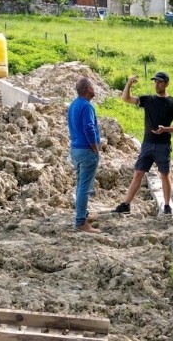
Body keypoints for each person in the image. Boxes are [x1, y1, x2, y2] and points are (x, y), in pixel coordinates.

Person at [112, 71, 173, 215]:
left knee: (164, 174)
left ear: (166, 84)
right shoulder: (148, 100)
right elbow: (126, 98)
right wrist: (129, 83)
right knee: (138, 173)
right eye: (155, 81)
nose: (157, 84)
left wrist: (166, 129)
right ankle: (126, 204)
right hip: (147, 144)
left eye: (160, 82)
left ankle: (167, 205)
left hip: (163, 145)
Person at [67, 77, 101, 233]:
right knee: (84, 188)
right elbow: (89, 127)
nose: (94, 89)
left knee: (81, 184)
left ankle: (84, 214)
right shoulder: (87, 106)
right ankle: (81, 221)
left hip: (76, 149)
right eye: (92, 86)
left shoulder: (74, 104)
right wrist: (94, 146)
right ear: (88, 89)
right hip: (86, 150)